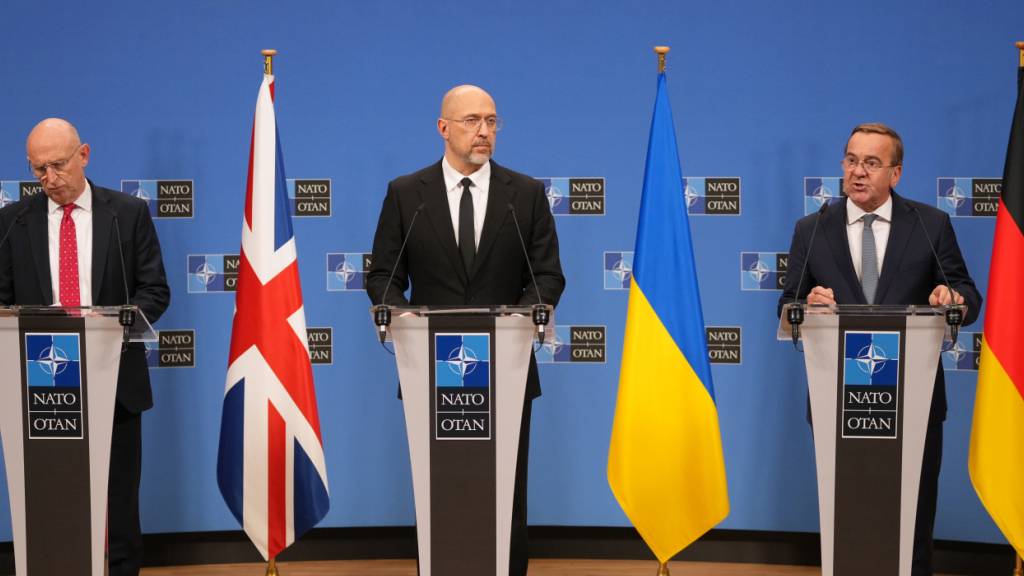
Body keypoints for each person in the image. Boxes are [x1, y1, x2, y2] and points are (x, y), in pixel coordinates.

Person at [367, 85, 565, 576]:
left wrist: (520, 319)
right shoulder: (405, 195)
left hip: (507, 371)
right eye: (473, 120)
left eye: (493, 121)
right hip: (432, 373)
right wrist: (400, 314)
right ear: (444, 128)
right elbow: (384, 278)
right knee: (441, 489)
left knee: (505, 490)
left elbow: (547, 275)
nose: (484, 131)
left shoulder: (527, 194)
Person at [779, 123, 981, 576]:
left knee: (912, 514)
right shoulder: (812, 229)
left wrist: (952, 300)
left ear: (896, 173)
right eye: (851, 160)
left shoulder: (930, 224)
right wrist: (805, 304)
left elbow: (967, 294)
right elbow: (788, 304)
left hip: (914, 400)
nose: (858, 172)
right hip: (840, 400)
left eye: (872, 163)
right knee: (848, 514)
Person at [0, 118, 170, 576]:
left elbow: (155, 291)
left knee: (117, 497)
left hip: (113, 378)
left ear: (84, 155)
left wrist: (116, 320)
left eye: (57, 165)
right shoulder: (13, 221)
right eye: (38, 170)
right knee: (51, 495)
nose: (49, 179)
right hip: (41, 383)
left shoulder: (128, 214)